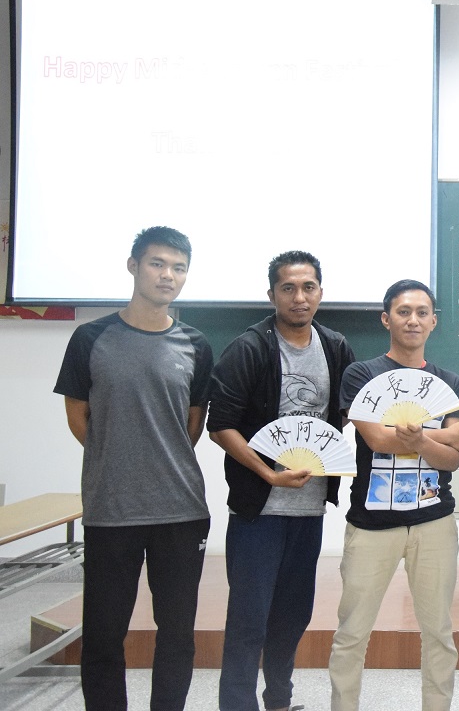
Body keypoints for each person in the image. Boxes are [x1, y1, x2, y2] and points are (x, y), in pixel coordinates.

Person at [54, 226, 213, 711]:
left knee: (177, 634)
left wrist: (157, 458)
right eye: (157, 263)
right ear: (133, 266)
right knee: (104, 635)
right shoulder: (90, 338)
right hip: (111, 509)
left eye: (179, 268)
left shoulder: (196, 344)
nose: (168, 275)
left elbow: (192, 424)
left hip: (181, 511)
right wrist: (119, 458)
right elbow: (79, 418)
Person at [207, 250, 356, 711]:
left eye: (308, 287)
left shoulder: (335, 346)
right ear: (271, 294)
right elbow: (220, 425)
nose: (299, 297)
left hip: (309, 510)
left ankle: (279, 701)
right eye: (288, 288)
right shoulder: (249, 348)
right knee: (248, 620)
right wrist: (268, 473)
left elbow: (344, 415)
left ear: (321, 293)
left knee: (292, 617)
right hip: (258, 511)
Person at [329, 279, 459, 711]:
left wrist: (421, 440)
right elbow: (376, 439)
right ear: (386, 319)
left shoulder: (449, 382)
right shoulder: (362, 374)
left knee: (439, 633)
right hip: (371, 524)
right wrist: (435, 437)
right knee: (352, 632)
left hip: (434, 523)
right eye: (404, 311)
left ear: (433, 322)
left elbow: (455, 455)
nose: (413, 320)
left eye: (422, 312)